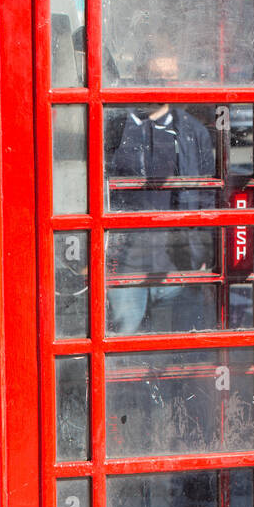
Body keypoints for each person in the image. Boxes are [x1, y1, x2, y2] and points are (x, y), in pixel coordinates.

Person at [106, 34, 216, 335]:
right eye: (155, 77)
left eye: (170, 78)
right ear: (140, 76)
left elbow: (207, 197)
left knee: (181, 353)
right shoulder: (114, 126)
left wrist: (206, 253)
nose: (163, 85)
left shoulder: (193, 132)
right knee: (121, 345)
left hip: (179, 262)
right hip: (127, 264)